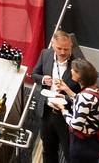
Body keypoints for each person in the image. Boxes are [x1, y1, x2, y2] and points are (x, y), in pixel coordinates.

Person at [31, 30, 84, 163]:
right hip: (47, 112)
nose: (62, 52)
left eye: (66, 49)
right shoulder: (45, 54)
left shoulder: (79, 64)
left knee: (69, 153)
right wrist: (43, 80)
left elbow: (83, 94)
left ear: (71, 46)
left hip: (66, 115)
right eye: (59, 48)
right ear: (53, 45)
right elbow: (34, 74)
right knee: (48, 150)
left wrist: (64, 99)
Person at [55, 58, 99, 163]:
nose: (71, 71)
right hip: (95, 141)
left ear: (79, 75)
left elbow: (76, 125)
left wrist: (63, 110)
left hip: (83, 145)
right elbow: (83, 104)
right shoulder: (94, 90)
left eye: (73, 69)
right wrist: (67, 90)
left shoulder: (84, 97)